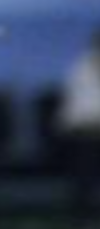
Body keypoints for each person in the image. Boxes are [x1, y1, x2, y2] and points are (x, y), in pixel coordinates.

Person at [58, 27, 100, 223]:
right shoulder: (81, 70)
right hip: (82, 134)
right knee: (87, 150)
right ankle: (83, 217)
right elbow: (80, 113)